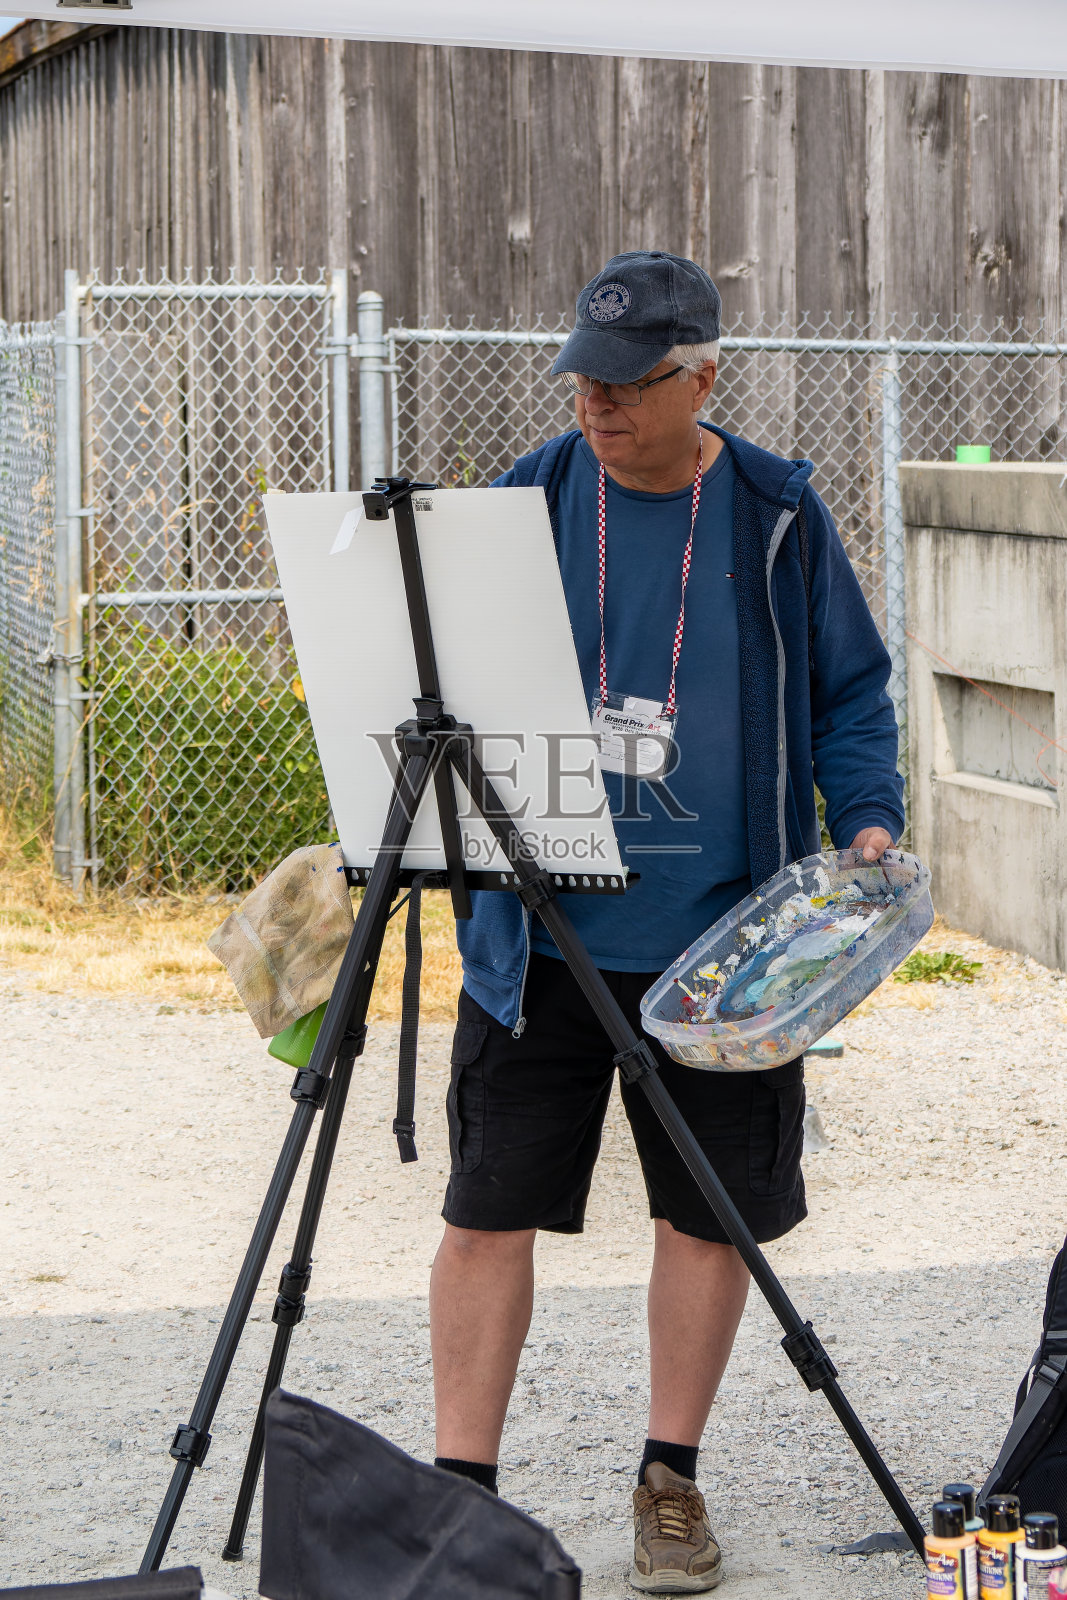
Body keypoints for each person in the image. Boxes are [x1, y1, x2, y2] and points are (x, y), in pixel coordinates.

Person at [428, 250, 904, 1593]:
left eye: (632, 386)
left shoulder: (776, 514)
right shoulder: (527, 497)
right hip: (538, 940)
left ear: (705, 375)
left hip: (726, 954)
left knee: (708, 1218)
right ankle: (463, 1493)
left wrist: (867, 814)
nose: (600, 405)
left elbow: (853, 694)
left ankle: (669, 1481)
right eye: (586, 378)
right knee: (484, 1209)